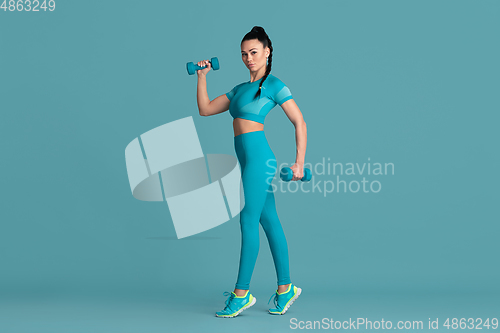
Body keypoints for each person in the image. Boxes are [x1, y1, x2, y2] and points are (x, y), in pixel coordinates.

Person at [196, 26, 307, 318]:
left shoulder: (274, 85)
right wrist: (202, 77)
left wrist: (299, 162)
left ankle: (241, 293)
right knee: (268, 220)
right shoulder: (239, 90)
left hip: (260, 159)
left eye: (254, 52)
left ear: (267, 52)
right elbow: (205, 109)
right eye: (244, 54)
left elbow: (300, 122)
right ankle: (287, 289)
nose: (249, 58)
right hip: (246, 160)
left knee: (248, 219)